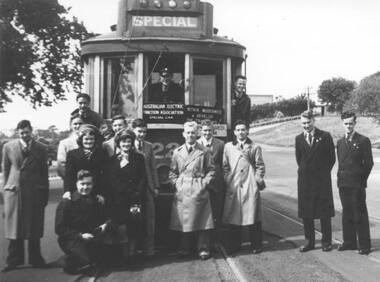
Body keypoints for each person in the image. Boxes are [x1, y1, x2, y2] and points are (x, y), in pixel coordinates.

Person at [2, 120, 49, 272]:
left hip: (34, 191)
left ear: (31, 131)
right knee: (14, 228)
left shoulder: (41, 148)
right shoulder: (8, 147)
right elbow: (6, 171)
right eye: (21, 132)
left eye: (27, 132)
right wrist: (5, 192)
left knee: (33, 227)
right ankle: (13, 261)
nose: (24, 135)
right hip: (14, 192)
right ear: (18, 132)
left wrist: (44, 194)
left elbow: (44, 173)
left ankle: (36, 259)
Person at [169, 121, 215, 260]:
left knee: (203, 220)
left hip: (198, 188)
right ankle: (185, 248)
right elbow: (172, 172)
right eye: (188, 132)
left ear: (197, 134)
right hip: (183, 189)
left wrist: (204, 183)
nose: (190, 135)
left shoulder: (204, 151)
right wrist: (177, 184)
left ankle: (203, 248)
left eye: (193, 133)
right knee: (185, 220)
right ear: (183, 134)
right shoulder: (177, 152)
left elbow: (211, 170)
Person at [55, 170, 112, 274]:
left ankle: (88, 257)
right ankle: (66, 259)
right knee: (82, 262)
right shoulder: (67, 202)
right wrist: (80, 235)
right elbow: (59, 229)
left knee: (106, 260)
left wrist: (105, 224)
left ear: (93, 184)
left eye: (89, 184)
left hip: (90, 237)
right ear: (76, 184)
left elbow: (104, 217)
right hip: (72, 239)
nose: (85, 187)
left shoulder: (95, 200)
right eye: (82, 184)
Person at [222, 120, 265, 254]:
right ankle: (235, 244)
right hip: (234, 185)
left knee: (253, 216)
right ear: (234, 132)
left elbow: (260, 166)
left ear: (247, 131)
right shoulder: (228, 147)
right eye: (238, 130)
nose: (241, 132)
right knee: (234, 216)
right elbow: (225, 166)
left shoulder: (255, 147)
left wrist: (257, 179)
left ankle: (256, 244)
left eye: (243, 129)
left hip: (250, 184)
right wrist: (227, 179)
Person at [295, 110, 335, 252]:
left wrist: (322, 173)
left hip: (321, 180)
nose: (306, 125)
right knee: (307, 214)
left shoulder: (325, 136)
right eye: (303, 123)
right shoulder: (298, 139)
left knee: (324, 213)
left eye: (308, 122)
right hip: (305, 182)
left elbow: (331, 158)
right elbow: (299, 160)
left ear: (313, 121)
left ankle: (326, 242)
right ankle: (309, 242)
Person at [336, 111, 374, 255]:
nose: (348, 126)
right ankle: (349, 242)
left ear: (355, 123)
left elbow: (369, 163)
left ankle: (364, 245)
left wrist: (361, 180)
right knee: (346, 213)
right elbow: (340, 163)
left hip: (357, 184)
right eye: (346, 123)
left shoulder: (363, 140)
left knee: (360, 214)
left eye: (351, 123)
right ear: (342, 124)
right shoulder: (340, 142)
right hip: (344, 183)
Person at [107, 129, 147, 259]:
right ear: (118, 144)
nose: (126, 144)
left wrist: (137, 192)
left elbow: (142, 177)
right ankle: (123, 254)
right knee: (122, 226)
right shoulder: (112, 160)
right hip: (120, 199)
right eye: (123, 142)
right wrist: (126, 191)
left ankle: (132, 252)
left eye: (128, 141)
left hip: (135, 198)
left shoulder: (139, 158)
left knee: (135, 226)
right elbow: (112, 179)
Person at [132, 118, 160, 258]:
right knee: (135, 218)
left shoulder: (149, 146)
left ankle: (149, 249)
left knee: (150, 219)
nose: (141, 134)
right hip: (134, 187)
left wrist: (155, 186)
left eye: (144, 132)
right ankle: (134, 249)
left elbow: (152, 167)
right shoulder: (127, 145)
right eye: (139, 131)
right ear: (133, 131)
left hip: (148, 187)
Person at [197, 120, 225, 249]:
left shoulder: (220, 144)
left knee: (216, 213)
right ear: (201, 131)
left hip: (216, 184)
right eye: (205, 131)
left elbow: (222, 164)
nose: (207, 133)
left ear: (213, 131)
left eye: (209, 130)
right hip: (201, 183)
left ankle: (215, 242)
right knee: (201, 213)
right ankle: (201, 243)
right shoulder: (196, 144)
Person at [63, 124, 108, 201]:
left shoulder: (102, 153)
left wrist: (102, 194)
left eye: (91, 139)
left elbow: (105, 175)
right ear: (81, 140)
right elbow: (69, 174)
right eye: (86, 139)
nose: (89, 141)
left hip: (96, 191)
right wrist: (67, 191)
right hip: (78, 190)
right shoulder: (72, 154)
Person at [57, 114, 84, 179]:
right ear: (71, 126)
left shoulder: (90, 141)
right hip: (71, 181)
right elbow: (61, 165)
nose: (78, 126)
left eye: (80, 123)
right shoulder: (64, 143)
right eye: (75, 124)